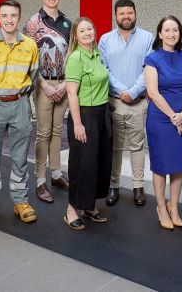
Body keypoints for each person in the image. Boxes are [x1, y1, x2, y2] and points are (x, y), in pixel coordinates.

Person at [0, 0, 40, 227]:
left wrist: (18, 97)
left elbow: (33, 76)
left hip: (20, 105)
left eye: (13, 15)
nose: (9, 19)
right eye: (5, 15)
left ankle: (20, 201)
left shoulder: (30, 45)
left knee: (20, 157)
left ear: (19, 17)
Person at [98, 0, 154, 206]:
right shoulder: (105, 40)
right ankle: (113, 186)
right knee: (116, 147)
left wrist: (133, 91)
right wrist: (122, 91)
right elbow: (104, 70)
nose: (126, 17)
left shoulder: (148, 38)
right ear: (116, 15)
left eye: (129, 13)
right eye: (122, 13)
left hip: (138, 102)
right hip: (114, 102)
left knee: (138, 146)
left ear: (135, 13)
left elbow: (148, 68)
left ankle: (138, 187)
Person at [144, 16, 182, 230]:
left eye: (175, 30)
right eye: (167, 30)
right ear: (160, 33)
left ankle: (173, 206)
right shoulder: (153, 58)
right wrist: (174, 118)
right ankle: (160, 207)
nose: (171, 34)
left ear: (180, 33)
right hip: (160, 119)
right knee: (161, 165)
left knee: (178, 164)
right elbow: (153, 93)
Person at [23, 0, 73, 204]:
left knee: (57, 131)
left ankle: (56, 174)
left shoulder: (67, 23)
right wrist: (43, 85)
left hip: (63, 84)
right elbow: (28, 59)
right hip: (43, 85)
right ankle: (40, 180)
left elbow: (72, 56)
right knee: (43, 133)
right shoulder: (32, 24)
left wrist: (65, 84)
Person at [64, 17, 112, 231]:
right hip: (85, 115)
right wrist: (77, 124)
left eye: (90, 29)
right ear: (76, 34)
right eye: (82, 30)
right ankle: (71, 209)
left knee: (99, 163)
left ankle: (89, 206)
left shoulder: (97, 54)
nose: (87, 33)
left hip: (103, 113)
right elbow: (71, 93)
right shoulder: (75, 58)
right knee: (82, 165)